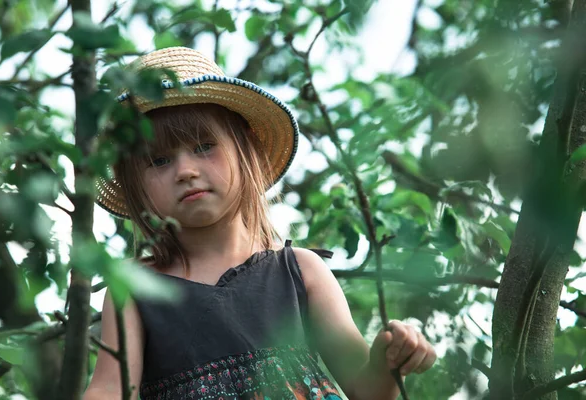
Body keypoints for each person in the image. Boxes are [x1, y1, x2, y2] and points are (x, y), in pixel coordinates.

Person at [85, 46, 437, 400]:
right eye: (159, 160)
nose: (186, 171)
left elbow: (367, 389)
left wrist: (389, 358)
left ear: (247, 150)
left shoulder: (301, 270)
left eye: (205, 146)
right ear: (134, 182)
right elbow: (108, 389)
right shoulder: (133, 288)